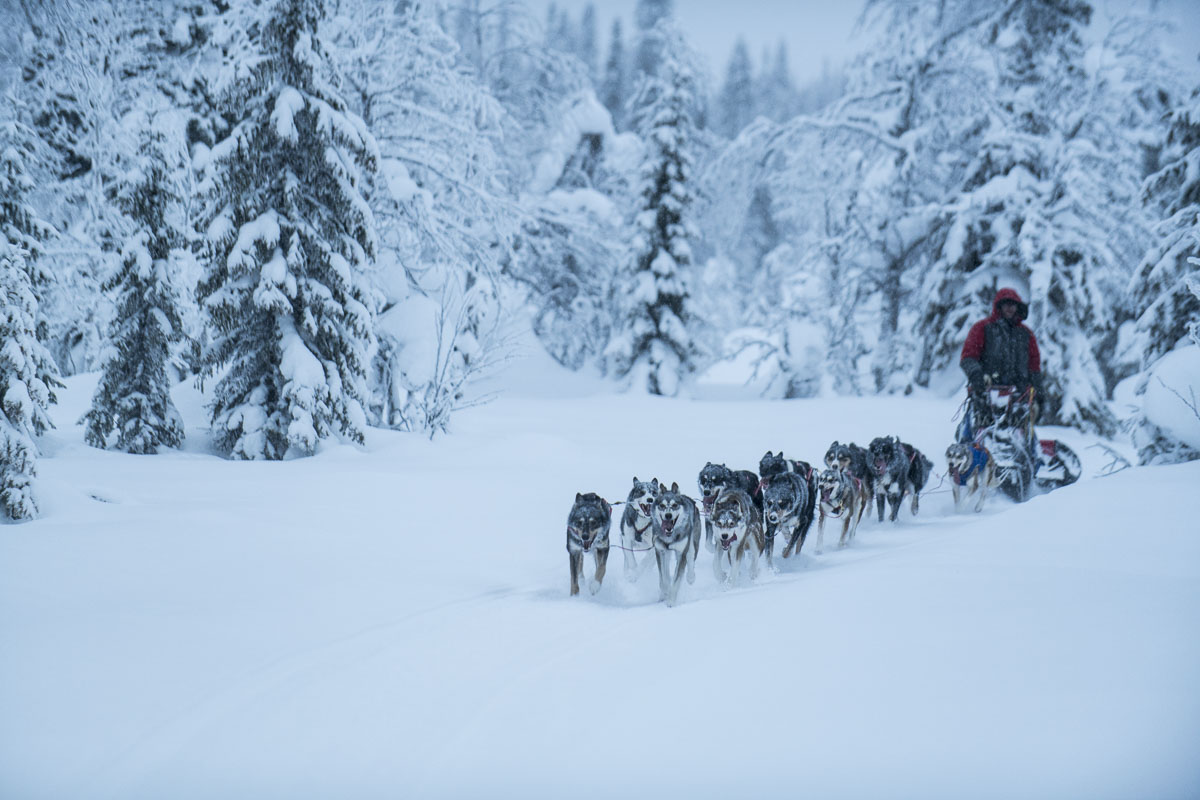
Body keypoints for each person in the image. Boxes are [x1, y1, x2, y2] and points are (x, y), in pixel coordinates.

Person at [960, 287, 1044, 399]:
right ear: (999, 306)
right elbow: (968, 357)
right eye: (1006, 304)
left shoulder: (1026, 334)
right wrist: (977, 375)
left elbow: (1034, 366)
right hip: (988, 393)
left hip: (1019, 396)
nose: (1009, 308)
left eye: (1012, 305)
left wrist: (1038, 393)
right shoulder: (982, 328)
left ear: (1017, 307)